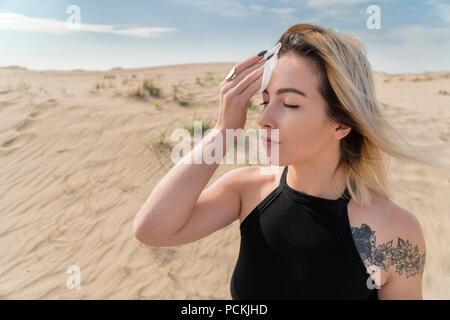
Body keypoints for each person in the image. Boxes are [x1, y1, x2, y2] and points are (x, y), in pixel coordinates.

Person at [133, 23, 429, 299]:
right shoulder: (247, 190)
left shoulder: (395, 232)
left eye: (290, 104)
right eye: (264, 101)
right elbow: (153, 230)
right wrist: (224, 131)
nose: (263, 119)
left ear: (341, 123)